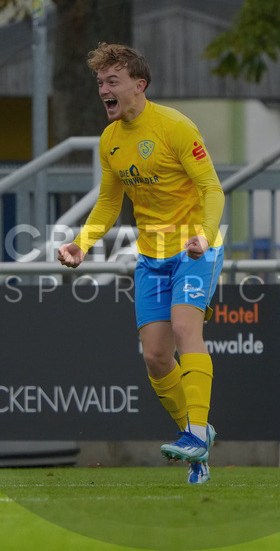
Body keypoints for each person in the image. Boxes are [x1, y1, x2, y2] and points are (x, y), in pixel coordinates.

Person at [57, 43, 224, 485]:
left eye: (112, 82)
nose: (104, 91)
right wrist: (81, 243)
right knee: (154, 356)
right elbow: (109, 205)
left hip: (195, 248)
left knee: (187, 329)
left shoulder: (174, 127)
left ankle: (193, 434)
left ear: (138, 84)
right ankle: (198, 438)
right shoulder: (110, 142)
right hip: (151, 255)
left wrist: (203, 236)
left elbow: (212, 189)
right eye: (99, 83)